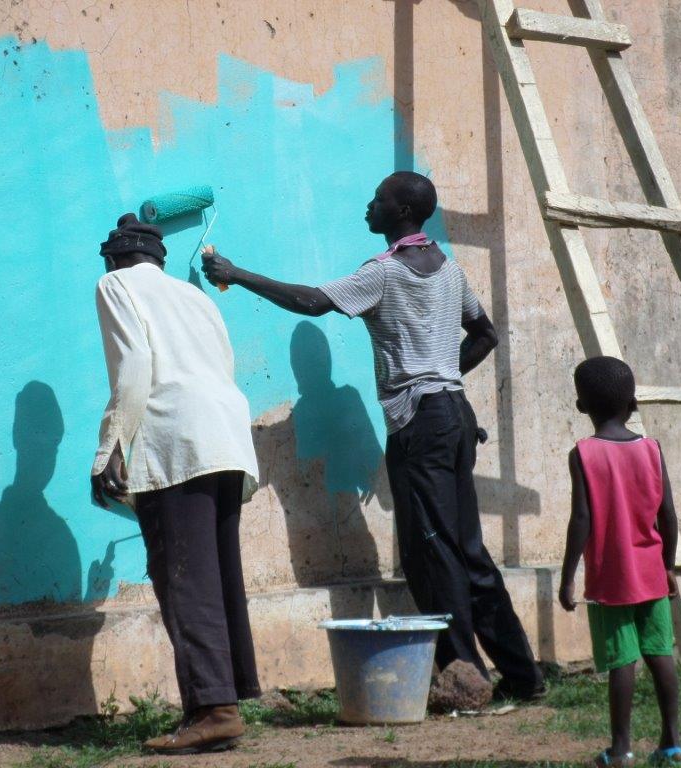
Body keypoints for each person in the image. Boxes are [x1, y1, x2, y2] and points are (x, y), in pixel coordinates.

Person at [201, 171, 544, 700]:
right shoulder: (450, 271)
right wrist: (442, 380)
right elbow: (486, 334)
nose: (369, 205)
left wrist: (235, 273)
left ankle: (465, 680)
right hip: (452, 416)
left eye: (379, 199)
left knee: (435, 551)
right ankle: (523, 676)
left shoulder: (383, 272)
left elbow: (313, 301)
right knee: (467, 548)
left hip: (423, 424)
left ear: (402, 212)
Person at [92, 214, 261, 754]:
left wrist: (111, 445)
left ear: (114, 259)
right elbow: (223, 366)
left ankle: (214, 709)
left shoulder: (114, 284)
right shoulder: (197, 298)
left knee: (185, 578)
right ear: (158, 260)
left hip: (178, 438)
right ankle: (221, 699)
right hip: (226, 436)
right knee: (217, 572)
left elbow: (135, 363)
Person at [559, 356, 681, 767]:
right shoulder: (651, 449)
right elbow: (667, 514)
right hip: (652, 572)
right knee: (660, 654)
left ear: (581, 407)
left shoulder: (583, 454)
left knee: (622, 661)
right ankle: (672, 744)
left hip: (611, 578)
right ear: (633, 403)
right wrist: (667, 564)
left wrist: (567, 577)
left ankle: (620, 750)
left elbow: (582, 519)